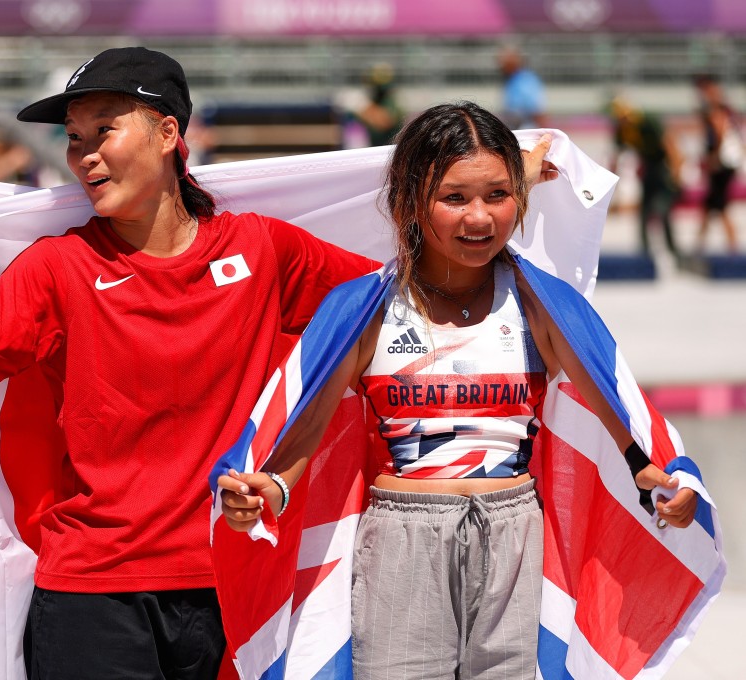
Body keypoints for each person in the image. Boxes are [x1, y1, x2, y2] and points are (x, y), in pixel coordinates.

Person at [0, 46, 380, 679]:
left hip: (236, 583)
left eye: (104, 130)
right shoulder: (57, 266)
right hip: (92, 593)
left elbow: (381, 312)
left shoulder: (263, 248)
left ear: (167, 133)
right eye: (73, 138)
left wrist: (289, 460)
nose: (84, 154)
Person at [216, 101, 699, 680]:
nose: (480, 219)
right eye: (454, 198)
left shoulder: (540, 305)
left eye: (498, 195)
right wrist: (264, 490)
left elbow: (621, 413)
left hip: (516, 541)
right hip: (402, 543)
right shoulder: (366, 309)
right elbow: (298, 432)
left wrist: (658, 476)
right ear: (410, 202)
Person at [608, 95, 684, 260]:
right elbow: (616, 156)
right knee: (644, 210)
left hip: (663, 167)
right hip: (648, 167)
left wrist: (676, 172)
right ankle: (644, 253)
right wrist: (610, 183)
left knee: (662, 209)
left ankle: (672, 250)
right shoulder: (622, 130)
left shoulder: (647, 122)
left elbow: (669, 144)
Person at [693, 74, 740, 253]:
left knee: (720, 205)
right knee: (711, 204)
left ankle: (732, 247)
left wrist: (714, 157)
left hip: (722, 164)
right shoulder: (722, 108)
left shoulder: (716, 109)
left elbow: (719, 132)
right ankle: (700, 245)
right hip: (725, 162)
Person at [498, 46, 546, 130]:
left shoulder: (525, 79)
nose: (501, 65)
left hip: (526, 128)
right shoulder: (511, 79)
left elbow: (535, 109)